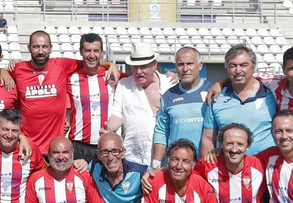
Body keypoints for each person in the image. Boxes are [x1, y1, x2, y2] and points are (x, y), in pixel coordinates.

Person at [200, 44, 277, 158]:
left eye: (243, 65)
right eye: (232, 66)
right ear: (226, 68)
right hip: (229, 169)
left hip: (264, 167)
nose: (238, 70)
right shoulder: (216, 97)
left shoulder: (272, 94)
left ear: (254, 67)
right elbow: (208, 139)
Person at [105, 42, 170, 174]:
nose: (138, 71)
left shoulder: (170, 83)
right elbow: (117, 115)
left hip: (165, 160)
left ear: (154, 65)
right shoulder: (124, 85)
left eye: (143, 67)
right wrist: (109, 128)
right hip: (133, 159)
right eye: (135, 67)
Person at [151, 46, 208, 169]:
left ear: (200, 65)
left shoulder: (213, 91)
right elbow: (162, 131)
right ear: (176, 67)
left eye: (190, 63)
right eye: (181, 64)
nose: (185, 69)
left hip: (205, 164)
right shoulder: (168, 96)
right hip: (177, 166)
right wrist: (155, 165)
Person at [66, 33, 117, 163]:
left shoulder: (113, 75)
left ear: (102, 53)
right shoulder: (70, 78)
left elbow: (140, 76)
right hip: (79, 145)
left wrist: (166, 76)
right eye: (88, 50)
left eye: (96, 51)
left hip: (107, 146)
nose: (92, 55)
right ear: (81, 52)